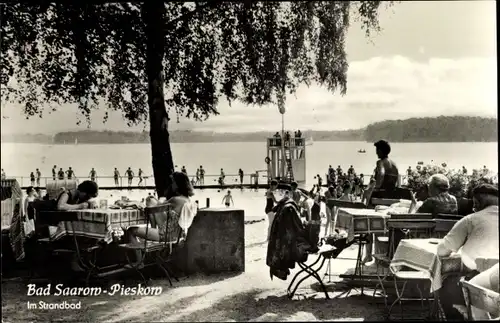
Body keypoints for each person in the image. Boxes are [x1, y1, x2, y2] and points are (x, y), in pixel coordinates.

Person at [436, 183, 499, 320]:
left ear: (477, 202)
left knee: (448, 284)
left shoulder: (471, 219)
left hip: (478, 282)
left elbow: (442, 250)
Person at [123, 172, 197, 267]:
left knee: (131, 230)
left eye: (173, 182)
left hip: (165, 236)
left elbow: (155, 207)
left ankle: (139, 262)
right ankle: (152, 230)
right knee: (152, 202)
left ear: (178, 184)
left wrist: (144, 200)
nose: (172, 185)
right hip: (177, 236)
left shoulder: (175, 199)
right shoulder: (187, 200)